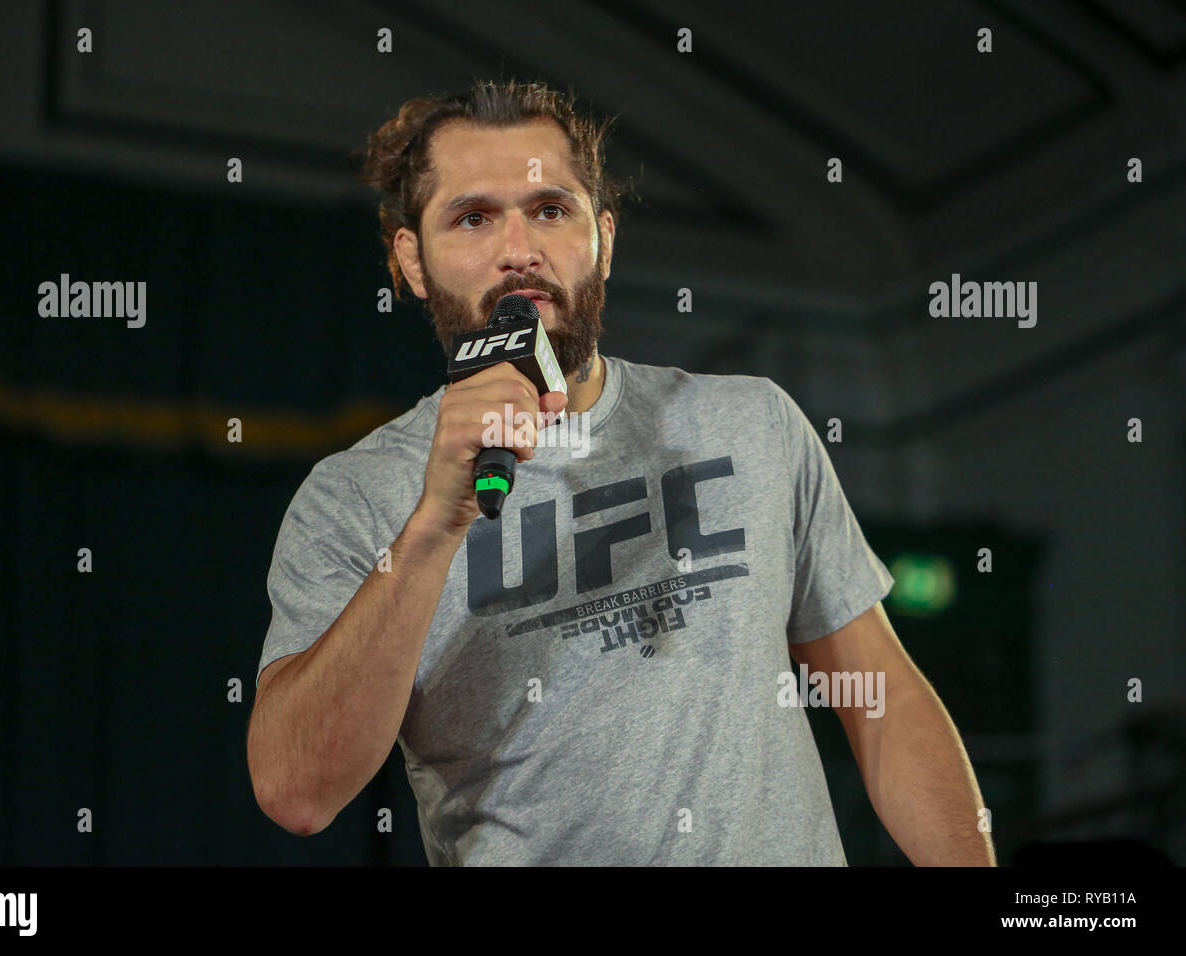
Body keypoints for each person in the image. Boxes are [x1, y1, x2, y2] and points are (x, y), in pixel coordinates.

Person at [246, 78, 995, 866]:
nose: (519, 250)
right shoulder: (356, 496)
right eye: (473, 217)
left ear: (603, 236)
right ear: (412, 260)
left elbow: (881, 704)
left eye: (550, 209)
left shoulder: (750, 422)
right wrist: (435, 524)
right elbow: (297, 792)